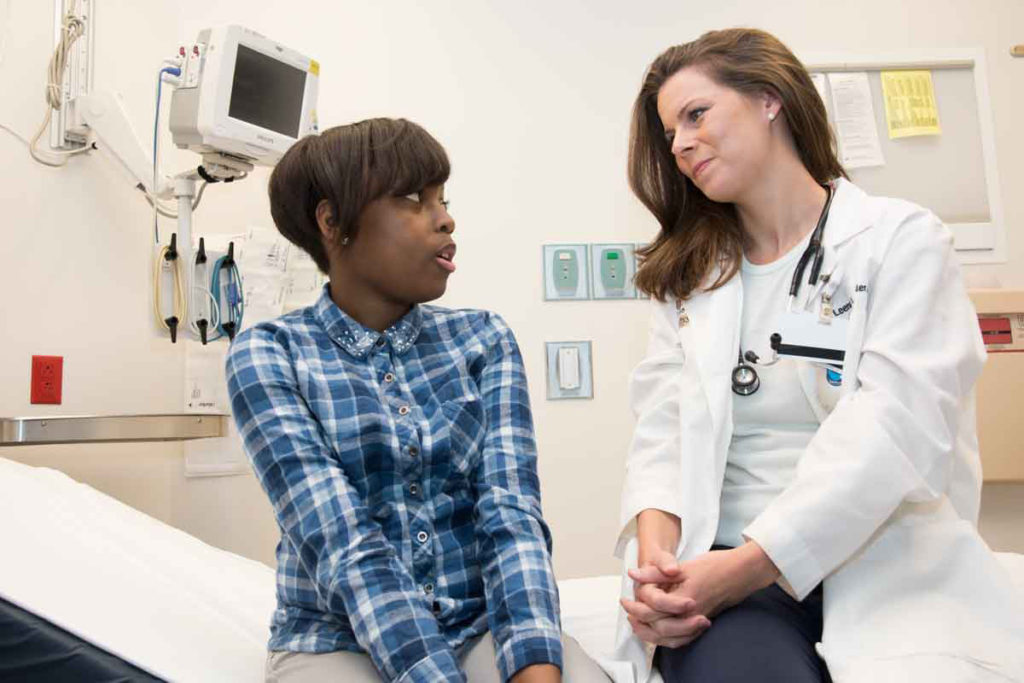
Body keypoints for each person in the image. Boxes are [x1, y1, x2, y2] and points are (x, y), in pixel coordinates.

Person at [611, 28, 1024, 683]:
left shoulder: (901, 241)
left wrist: (750, 563)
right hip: (731, 581)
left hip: (888, 561)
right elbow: (660, 431)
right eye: (669, 134)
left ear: (770, 99)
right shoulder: (692, 275)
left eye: (696, 114)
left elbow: (896, 428)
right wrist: (660, 566)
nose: (682, 144)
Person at [226, 118, 609, 683]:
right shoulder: (270, 356)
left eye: (442, 199)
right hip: (338, 638)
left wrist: (534, 668)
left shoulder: (483, 340)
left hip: (479, 626)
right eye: (413, 200)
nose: (445, 218)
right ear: (333, 222)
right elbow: (345, 546)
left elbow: (512, 517)